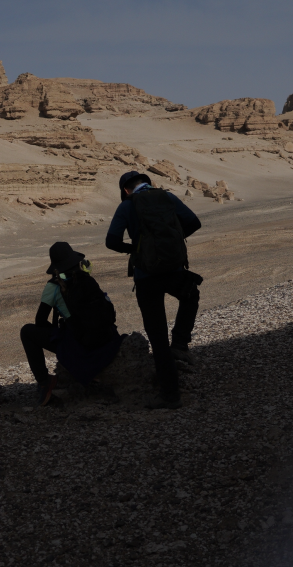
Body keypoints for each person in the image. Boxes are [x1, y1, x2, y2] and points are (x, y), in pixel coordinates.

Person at [106, 171, 202, 409]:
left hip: (146, 277)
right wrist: (172, 239)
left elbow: (112, 241)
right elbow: (194, 223)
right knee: (191, 295)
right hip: (174, 270)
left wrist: (137, 249)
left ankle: (170, 395)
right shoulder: (167, 197)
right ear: (147, 183)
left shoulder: (127, 206)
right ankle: (180, 343)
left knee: (158, 336)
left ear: (126, 190)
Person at [20, 242, 124, 406]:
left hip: (82, 342)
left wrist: (57, 332)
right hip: (107, 338)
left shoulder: (54, 286)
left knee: (26, 332)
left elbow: (40, 320)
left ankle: (45, 381)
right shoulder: (87, 278)